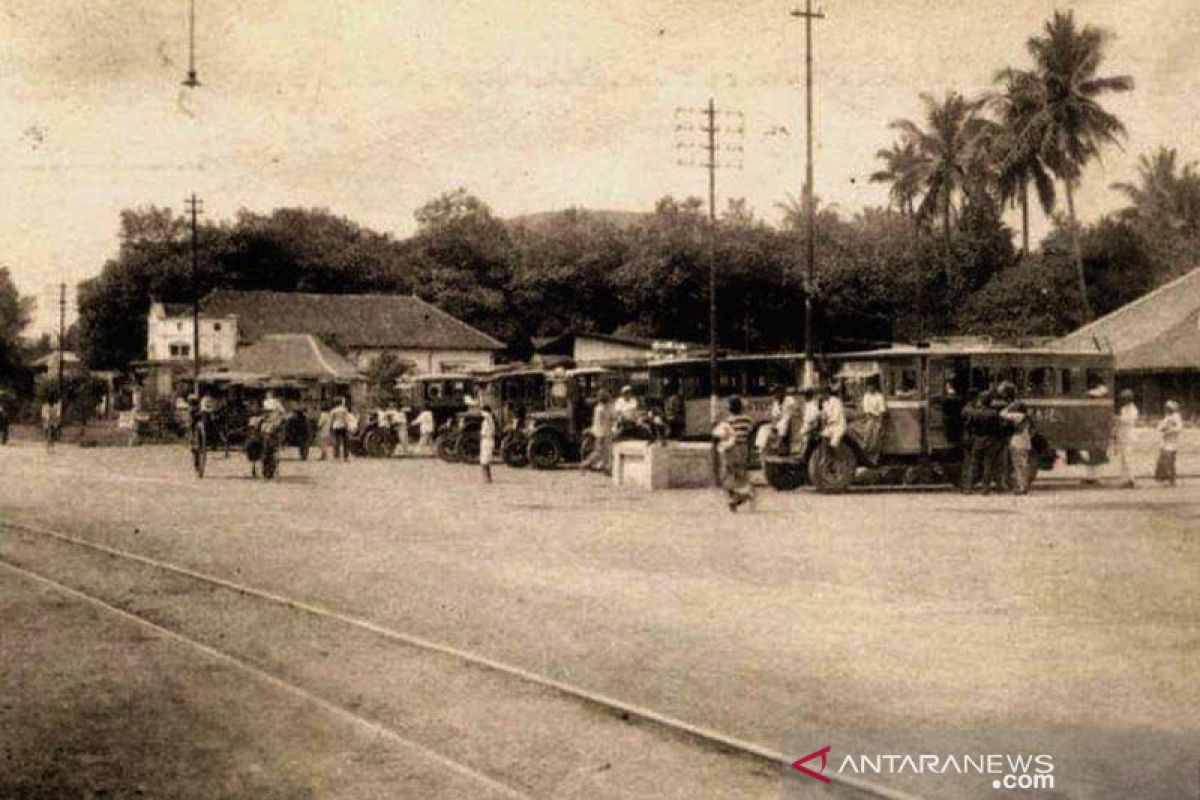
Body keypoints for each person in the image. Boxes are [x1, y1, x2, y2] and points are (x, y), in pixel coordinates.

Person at [712, 395, 755, 512]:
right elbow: (750, 436)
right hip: (743, 449)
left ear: (729, 408)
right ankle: (742, 495)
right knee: (741, 474)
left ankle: (734, 498)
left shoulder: (727, 422)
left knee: (728, 474)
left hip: (731, 449)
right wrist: (750, 452)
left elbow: (721, 436)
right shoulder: (748, 420)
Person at [1000, 384, 1033, 495]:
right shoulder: (1026, 418)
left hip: (1017, 441)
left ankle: (1022, 487)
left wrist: (1009, 406)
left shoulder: (1017, 416)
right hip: (1025, 441)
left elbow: (1003, 414)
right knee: (1023, 464)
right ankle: (1023, 486)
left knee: (1018, 465)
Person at [581, 390, 614, 474]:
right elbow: (605, 421)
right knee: (599, 452)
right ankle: (585, 464)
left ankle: (605, 468)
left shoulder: (598, 408)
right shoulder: (602, 409)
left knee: (605, 451)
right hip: (602, 433)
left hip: (600, 432)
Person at [858, 376, 887, 464]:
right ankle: (865, 456)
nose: (870, 388)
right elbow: (865, 410)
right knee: (865, 437)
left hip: (876, 419)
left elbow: (882, 411)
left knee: (876, 438)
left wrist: (880, 423)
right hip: (867, 418)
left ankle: (874, 459)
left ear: (874, 386)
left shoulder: (879, 397)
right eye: (868, 386)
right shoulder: (866, 396)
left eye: (871, 386)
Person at [1155, 400, 1183, 487]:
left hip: (1172, 443)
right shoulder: (1166, 418)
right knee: (1165, 462)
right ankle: (1167, 480)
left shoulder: (1176, 417)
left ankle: (1171, 480)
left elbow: (1178, 428)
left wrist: (1168, 431)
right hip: (1166, 443)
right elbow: (1159, 428)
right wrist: (1164, 431)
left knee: (1170, 462)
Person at [1116, 389, 1139, 488]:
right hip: (1123, 435)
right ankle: (1125, 479)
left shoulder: (1133, 409)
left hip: (1129, 435)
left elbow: (1129, 421)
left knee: (1128, 459)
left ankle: (1131, 479)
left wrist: (1118, 419)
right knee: (1123, 459)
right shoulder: (1124, 409)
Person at [819, 382, 847, 449]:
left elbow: (836, 415)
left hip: (838, 425)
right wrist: (823, 422)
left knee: (833, 444)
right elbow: (824, 415)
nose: (822, 395)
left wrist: (827, 421)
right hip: (830, 425)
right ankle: (827, 456)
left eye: (823, 393)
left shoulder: (836, 401)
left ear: (827, 392)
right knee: (823, 437)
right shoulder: (824, 403)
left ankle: (837, 457)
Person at [329, 396, 351, 462]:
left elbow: (331, 420)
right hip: (343, 426)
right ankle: (345, 457)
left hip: (335, 426)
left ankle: (337, 457)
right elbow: (346, 419)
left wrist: (330, 427)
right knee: (345, 442)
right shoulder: (344, 409)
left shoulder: (333, 410)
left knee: (336, 442)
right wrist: (347, 426)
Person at [479, 403, 496, 483]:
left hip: (488, 440)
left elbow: (486, 415)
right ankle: (487, 478)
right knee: (485, 461)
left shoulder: (489, 419)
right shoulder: (488, 420)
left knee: (485, 461)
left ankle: (486, 478)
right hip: (485, 440)